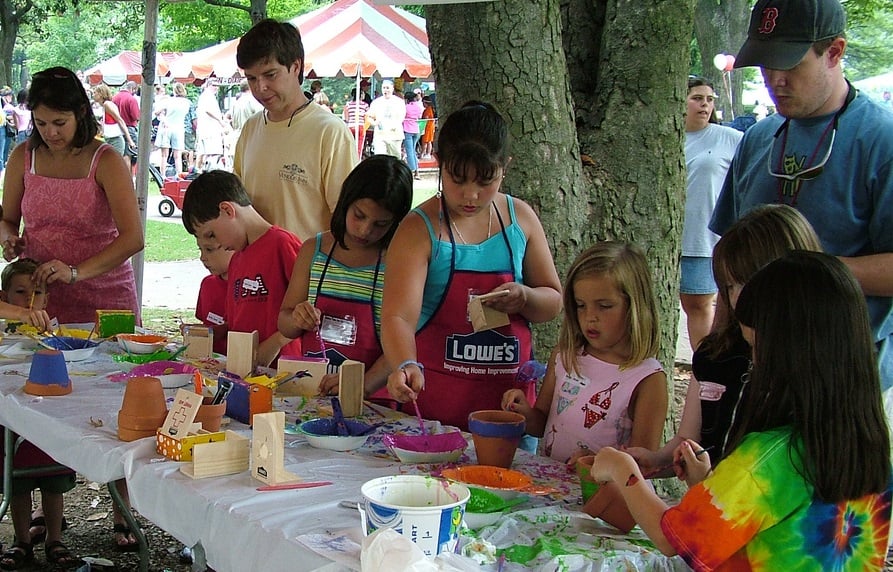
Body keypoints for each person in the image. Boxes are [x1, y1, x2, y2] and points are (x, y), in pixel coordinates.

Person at [590, 251, 892, 569]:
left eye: (755, 347)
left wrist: (622, 468)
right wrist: (709, 482)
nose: (754, 361)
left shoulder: (768, 457)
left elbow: (672, 539)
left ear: (787, 353)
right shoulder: (870, 448)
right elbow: (776, 518)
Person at [709, 0, 893, 399]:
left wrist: (798, 270)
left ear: (834, 52)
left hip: (842, 375)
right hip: (755, 368)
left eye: (790, 64)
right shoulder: (758, 138)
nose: (775, 79)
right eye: (765, 64)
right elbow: (728, 250)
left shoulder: (881, 141)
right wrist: (717, 344)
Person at [0, 66, 144, 551]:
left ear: (81, 113)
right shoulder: (24, 157)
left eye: (59, 122)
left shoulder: (105, 160)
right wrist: (7, 239)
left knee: (112, 404)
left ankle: (122, 512)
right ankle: (47, 504)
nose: (50, 133)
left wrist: (79, 270)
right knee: (48, 402)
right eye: (41, 123)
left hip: (104, 296)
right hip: (42, 301)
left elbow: (134, 237)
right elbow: (7, 217)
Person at [382, 101, 563, 431]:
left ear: (504, 166)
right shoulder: (418, 229)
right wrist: (405, 364)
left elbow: (553, 301)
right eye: (457, 178)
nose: (471, 195)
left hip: (508, 412)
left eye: (485, 181)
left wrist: (524, 298)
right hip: (436, 412)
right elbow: (398, 316)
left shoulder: (520, 219)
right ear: (440, 163)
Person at [629, 205, 823, 475]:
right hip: (708, 506)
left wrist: (706, 483)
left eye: (749, 282)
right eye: (730, 286)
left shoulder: (816, 373)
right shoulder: (714, 355)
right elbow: (688, 441)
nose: (738, 297)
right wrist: (658, 460)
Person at [502, 241, 667, 465]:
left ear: (634, 306)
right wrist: (523, 412)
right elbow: (541, 423)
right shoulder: (565, 356)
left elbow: (643, 463)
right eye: (581, 305)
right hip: (555, 490)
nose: (590, 316)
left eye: (604, 306)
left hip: (608, 495)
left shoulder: (648, 379)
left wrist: (597, 461)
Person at [278, 155, 412, 397]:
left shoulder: (398, 263)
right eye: (359, 215)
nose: (365, 230)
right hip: (313, 392)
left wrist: (362, 384)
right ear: (345, 202)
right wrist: (297, 318)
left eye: (380, 224)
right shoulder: (313, 251)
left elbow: (403, 344)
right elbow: (285, 324)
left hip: (374, 399)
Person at [234, 19, 358, 242]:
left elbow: (347, 224)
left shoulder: (329, 132)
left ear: (296, 66)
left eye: (270, 75)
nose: (260, 87)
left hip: (307, 272)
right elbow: (239, 207)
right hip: (255, 272)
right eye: (251, 78)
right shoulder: (251, 128)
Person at [0, 259, 81, 570]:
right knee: (16, 481)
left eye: (38, 293)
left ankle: (54, 538)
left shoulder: (58, 335)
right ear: (4, 296)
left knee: (52, 477)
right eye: (21, 292)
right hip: (13, 417)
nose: (30, 301)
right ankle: (21, 539)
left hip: (48, 412)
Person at [182, 170, 302, 367]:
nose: (218, 242)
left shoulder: (282, 244)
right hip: (246, 371)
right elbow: (239, 323)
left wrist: (276, 342)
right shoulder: (236, 260)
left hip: (286, 373)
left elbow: (309, 309)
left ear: (228, 210)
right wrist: (214, 332)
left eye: (211, 235)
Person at [680, 78, 742, 351]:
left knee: (700, 304)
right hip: (670, 238)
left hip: (703, 238)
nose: (705, 104)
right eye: (697, 98)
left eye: (709, 99)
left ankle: (705, 367)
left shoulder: (727, 138)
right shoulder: (666, 138)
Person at [194, 236, 233, 356]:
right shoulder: (207, 284)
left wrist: (223, 330)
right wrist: (195, 331)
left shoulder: (247, 287)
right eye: (200, 250)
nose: (202, 258)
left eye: (209, 249)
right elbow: (206, 323)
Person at [156, 82, 191, 176]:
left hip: (166, 128)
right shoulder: (186, 102)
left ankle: (162, 175)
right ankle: (179, 175)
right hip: (179, 128)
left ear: (174, 91)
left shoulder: (169, 100)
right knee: (177, 155)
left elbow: (157, 112)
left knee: (164, 155)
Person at [91, 84, 134, 157]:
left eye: (95, 93)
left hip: (115, 140)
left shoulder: (107, 105)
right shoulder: (104, 106)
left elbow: (120, 120)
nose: (93, 95)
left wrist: (130, 140)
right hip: (110, 139)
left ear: (101, 94)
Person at [194, 82, 229, 172]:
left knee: (203, 153)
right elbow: (208, 110)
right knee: (212, 153)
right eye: (214, 85)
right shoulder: (207, 96)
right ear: (208, 85)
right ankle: (208, 172)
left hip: (206, 130)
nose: (216, 88)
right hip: (209, 130)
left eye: (217, 86)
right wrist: (220, 120)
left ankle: (200, 171)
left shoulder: (206, 96)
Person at [366, 80, 405, 159]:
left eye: (387, 88)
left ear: (392, 89)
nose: (385, 90)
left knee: (395, 158)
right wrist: (373, 123)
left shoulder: (399, 102)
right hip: (380, 135)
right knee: (380, 158)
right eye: (384, 88)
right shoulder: (376, 102)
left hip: (395, 135)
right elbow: (368, 116)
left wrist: (394, 126)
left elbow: (401, 117)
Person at [112, 81, 140, 169]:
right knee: (128, 154)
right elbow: (136, 116)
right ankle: (128, 178)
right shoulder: (131, 99)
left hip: (116, 128)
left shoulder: (114, 98)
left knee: (120, 153)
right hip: (129, 128)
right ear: (133, 89)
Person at [402, 91, 423, 180]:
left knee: (409, 151)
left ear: (406, 99)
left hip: (408, 130)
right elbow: (419, 116)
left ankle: (412, 170)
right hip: (416, 129)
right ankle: (417, 172)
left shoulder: (405, 107)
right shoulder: (418, 107)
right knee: (413, 151)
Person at [342, 88, 369, 158]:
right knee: (359, 147)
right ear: (361, 95)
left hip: (350, 126)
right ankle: (357, 160)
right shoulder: (365, 105)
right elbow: (367, 117)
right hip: (360, 126)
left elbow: (346, 118)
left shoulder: (348, 104)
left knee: (349, 145)